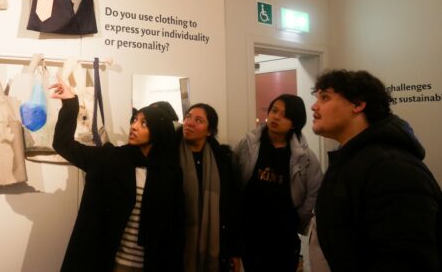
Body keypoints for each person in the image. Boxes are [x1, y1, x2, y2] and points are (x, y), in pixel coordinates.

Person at [311, 69, 442, 272]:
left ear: (358, 104)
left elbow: (408, 259)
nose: (314, 106)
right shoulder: (352, 159)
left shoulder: (391, 168)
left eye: (325, 97)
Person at [50, 77, 185, 272]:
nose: (134, 126)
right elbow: (63, 144)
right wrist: (71, 103)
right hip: (108, 264)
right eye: (135, 120)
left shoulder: (169, 174)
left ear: (158, 131)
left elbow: (175, 228)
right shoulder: (109, 159)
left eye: (144, 123)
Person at [234, 94, 322, 272]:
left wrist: (298, 219)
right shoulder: (248, 144)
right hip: (250, 231)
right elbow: (234, 178)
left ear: (295, 122)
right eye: (274, 110)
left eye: (284, 115)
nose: (276, 117)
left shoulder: (306, 157)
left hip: (284, 234)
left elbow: (313, 193)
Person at [178, 103, 239, 271]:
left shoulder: (223, 160)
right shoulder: (170, 155)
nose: (189, 123)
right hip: (177, 244)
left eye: (198, 120)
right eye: (188, 117)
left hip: (216, 243)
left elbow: (232, 207)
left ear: (209, 130)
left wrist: (234, 250)